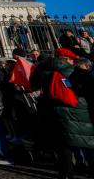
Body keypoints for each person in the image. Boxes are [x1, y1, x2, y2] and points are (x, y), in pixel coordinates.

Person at [31, 47, 94, 179]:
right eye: (72, 59)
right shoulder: (73, 71)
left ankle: (66, 174)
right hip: (78, 111)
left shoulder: (42, 70)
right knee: (87, 142)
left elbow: (33, 84)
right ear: (66, 59)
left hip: (53, 112)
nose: (73, 62)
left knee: (63, 145)